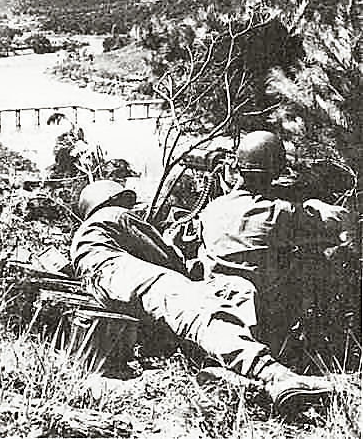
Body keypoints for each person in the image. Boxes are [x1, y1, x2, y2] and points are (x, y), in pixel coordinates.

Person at [70, 179, 336, 414]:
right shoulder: (113, 216)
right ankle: (274, 375)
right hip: (123, 274)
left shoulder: (87, 236)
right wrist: (179, 249)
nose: (129, 208)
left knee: (190, 310)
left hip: (108, 282)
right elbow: (166, 260)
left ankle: (228, 372)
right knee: (196, 309)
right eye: (123, 202)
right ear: (111, 201)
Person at [198, 130, 355, 354]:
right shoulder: (279, 213)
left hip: (218, 311)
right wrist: (313, 202)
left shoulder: (212, 210)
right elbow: (337, 221)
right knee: (316, 257)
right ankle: (330, 343)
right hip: (265, 322)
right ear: (275, 173)